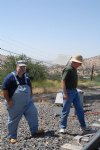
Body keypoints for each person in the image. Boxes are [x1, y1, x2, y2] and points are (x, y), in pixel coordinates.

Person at [2, 60, 44, 144]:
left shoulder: (26, 77)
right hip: (15, 104)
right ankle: (12, 136)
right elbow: (4, 90)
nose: (22, 68)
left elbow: (30, 87)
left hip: (28, 103)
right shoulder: (10, 77)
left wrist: (30, 97)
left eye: (24, 67)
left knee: (33, 115)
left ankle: (34, 131)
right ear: (16, 66)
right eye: (20, 67)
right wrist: (9, 100)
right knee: (13, 120)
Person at [59, 55, 91, 133]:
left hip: (74, 91)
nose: (80, 65)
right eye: (79, 63)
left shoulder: (74, 69)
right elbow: (63, 81)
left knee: (80, 110)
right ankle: (62, 127)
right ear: (74, 62)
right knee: (65, 110)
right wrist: (65, 94)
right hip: (68, 92)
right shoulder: (68, 69)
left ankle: (83, 126)